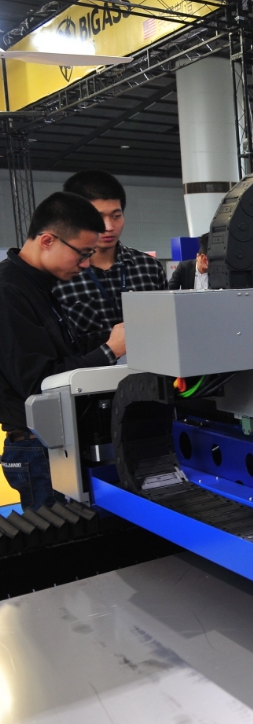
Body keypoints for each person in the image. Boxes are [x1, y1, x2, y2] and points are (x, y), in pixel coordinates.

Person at [0, 193, 127, 510]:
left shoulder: (38, 285)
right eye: (82, 254)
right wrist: (110, 350)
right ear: (47, 240)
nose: (85, 265)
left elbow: (63, 350)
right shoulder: (8, 291)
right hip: (41, 446)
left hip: (59, 440)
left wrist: (114, 336)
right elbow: (40, 383)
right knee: (64, 533)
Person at [51, 170, 167, 336]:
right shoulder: (59, 276)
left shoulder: (149, 267)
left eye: (116, 216)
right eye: (98, 217)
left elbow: (168, 325)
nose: (109, 227)